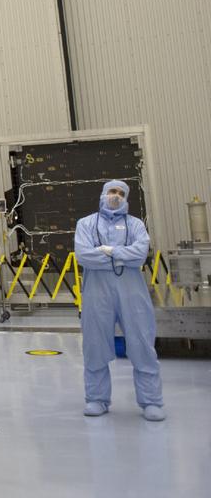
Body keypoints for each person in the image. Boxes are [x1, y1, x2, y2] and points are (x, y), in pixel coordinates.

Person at [74, 180, 164, 421]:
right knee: (95, 343)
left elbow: (140, 255)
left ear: (127, 198)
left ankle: (151, 402)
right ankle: (97, 399)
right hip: (96, 292)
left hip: (131, 292)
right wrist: (123, 256)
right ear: (103, 194)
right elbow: (84, 256)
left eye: (121, 193)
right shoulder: (85, 224)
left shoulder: (135, 224)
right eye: (112, 191)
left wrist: (109, 251)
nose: (116, 196)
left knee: (142, 341)